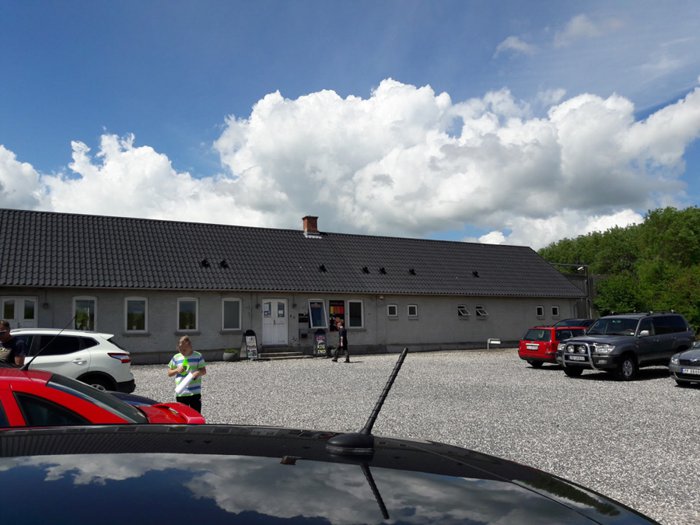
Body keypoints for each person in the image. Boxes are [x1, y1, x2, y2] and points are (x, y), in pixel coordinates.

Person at [167, 335, 206, 412]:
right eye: (180, 349)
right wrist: (177, 370)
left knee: (195, 414)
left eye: (184, 349)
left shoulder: (198, 356)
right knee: (182, 415)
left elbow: (203, 371)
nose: (182, 351)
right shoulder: (176, 357)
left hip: (195, 392)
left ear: (190, 346)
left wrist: (197, 373)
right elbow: (169, 373)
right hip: (181, 392)